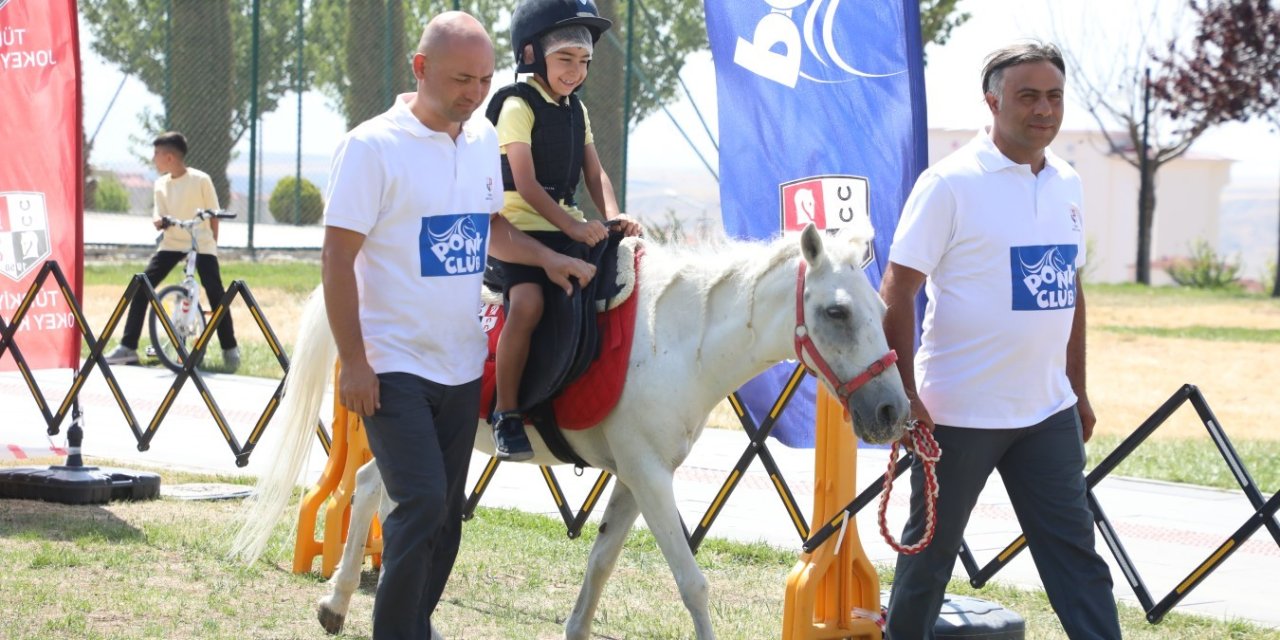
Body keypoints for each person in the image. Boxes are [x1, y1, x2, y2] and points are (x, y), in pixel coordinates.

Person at [320, 12, 596, 640]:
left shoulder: (479, 141)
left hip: (461, 362)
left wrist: (551, 258)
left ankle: (415, 622)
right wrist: (355, 363)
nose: (474, 93)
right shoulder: (370, 147)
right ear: (420, 69)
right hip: (391, 364)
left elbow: (491, 227)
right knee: (417, 502)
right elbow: (336, 257)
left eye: (484, 79)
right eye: (460, 79)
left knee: (446, 515)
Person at [880, 42, 1122, 639]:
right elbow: (897, 292)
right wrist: (906, 394)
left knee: (1078, 562)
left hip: (1047, 414)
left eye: (1055, 97)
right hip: (956, 417)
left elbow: (1069, 289)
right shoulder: (949, 184)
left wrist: (1077, 390)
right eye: (1028, 96)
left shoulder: (1068, 182)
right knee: (927, 562)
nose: (1044, 110)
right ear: (992, 100)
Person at [487, 0, 643, 461]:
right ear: (532, 54)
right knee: (530, 302)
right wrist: (575, 224)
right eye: (565, 60)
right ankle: (507, 412)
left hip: (566, 229)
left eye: (585, 62)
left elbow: (595, 174)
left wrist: (612, 215)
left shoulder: (577, 109)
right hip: (519, 234)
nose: (576, 71)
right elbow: (529, 186)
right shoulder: (516, 104)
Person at [105, 131, 239, 371]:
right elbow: (159, 212)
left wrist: (212, 246)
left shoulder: (201, 180)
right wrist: (159, 220)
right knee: (142, 286)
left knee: (215, 291)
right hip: (172, 242)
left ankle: (230, 348)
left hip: (201, 241)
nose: (153, 159)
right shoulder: (160, 184)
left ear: (169, 158)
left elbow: (214, 216)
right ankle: (128, 347)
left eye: (156, 154)